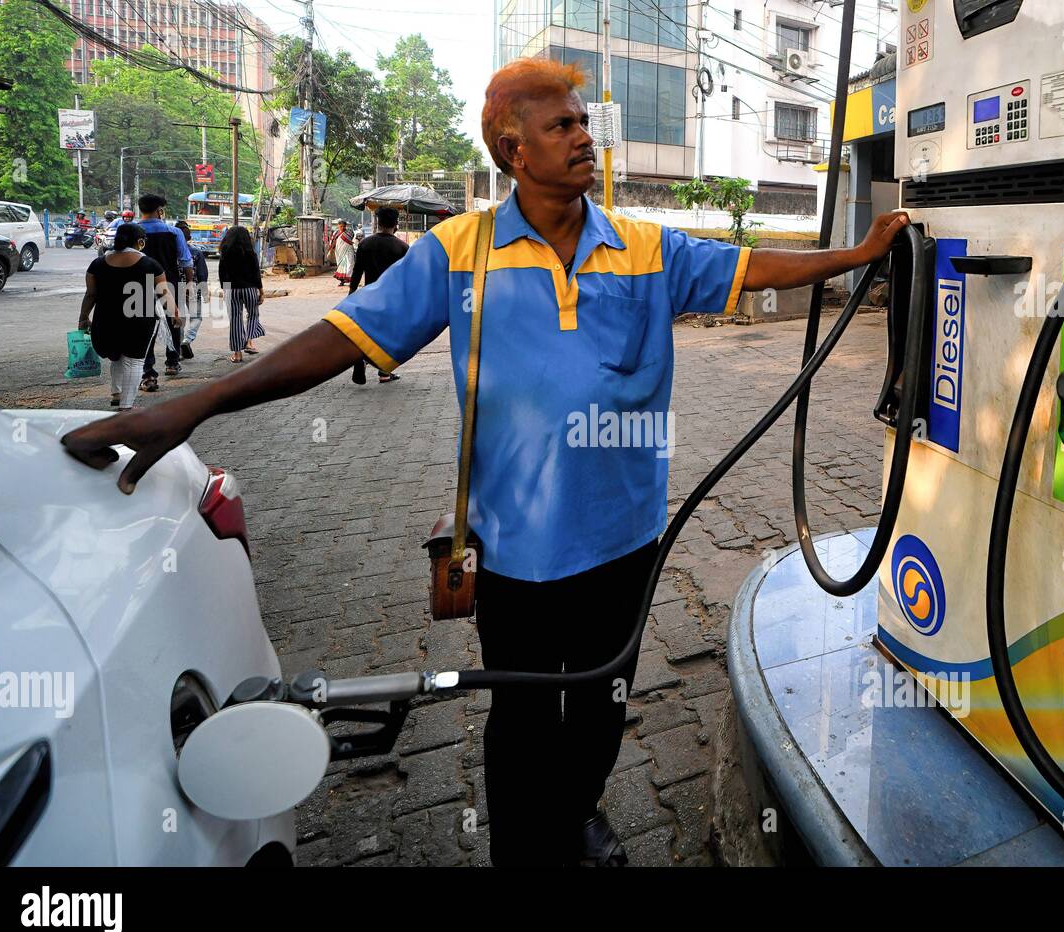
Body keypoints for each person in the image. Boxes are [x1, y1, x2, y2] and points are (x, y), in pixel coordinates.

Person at [60, 57, 909, 867]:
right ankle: (522, 848)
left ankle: (577, 811)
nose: (585, 138)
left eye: (584, 123)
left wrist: (859, 255)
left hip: (628, 540)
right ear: (513, 148)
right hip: (514, 552)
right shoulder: (458, 254)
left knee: (605, 708)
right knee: (525, 717)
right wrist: (194, 403)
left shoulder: (648, 247)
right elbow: (336, 339)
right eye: (562, 125)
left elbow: (756, 266)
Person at [77, 223, 175, 411]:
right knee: (134, 361)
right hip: (139, 320)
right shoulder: (150, 264)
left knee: (117, 357)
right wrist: (175, 313)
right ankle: (126, 405)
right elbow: (164, 293)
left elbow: (90, 294)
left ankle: (116, 394)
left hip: (105, 319)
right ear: (140, 242)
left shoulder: (97, 264)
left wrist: (83, 317)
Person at [135, 194, 195, 391]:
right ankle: (172, 362)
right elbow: (186, 261)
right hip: (170, 283)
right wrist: (189, 284)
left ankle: (148, 373)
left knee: (145, 329)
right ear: (160, 210)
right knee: (174, 322)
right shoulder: (174, 232)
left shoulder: (131, 231)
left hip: (139, 286)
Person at [347, 206, 408, 385]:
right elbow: (407, 277)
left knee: (368, 331)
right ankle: (384, 372)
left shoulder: (365, 244)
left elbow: (357, 271)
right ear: (396, 224)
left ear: (378, 223)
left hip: (369, 296)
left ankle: (362, 358)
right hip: (392, 299)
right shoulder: (402, 247)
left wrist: (352, 293)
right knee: (389, 335)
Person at [217, 225, 265, 364]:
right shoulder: (250, 252)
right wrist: (261, 291)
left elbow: (222, 273)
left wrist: (224, 289)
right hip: (249, 289)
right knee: (253, 314)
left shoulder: (225, 252)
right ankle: (249, 341)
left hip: (231, 290)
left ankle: (237, 354)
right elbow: (256, 273)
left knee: (235, 320)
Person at [175, 219, 209, 360]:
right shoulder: (196, 252)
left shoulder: (170, 253)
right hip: (193, 288)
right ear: (189, 238)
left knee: (179, 320)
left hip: (174, 289)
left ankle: (178, 351)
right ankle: (187, 341)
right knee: (196, 317)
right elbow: (202, 274)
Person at [329, 218, 355, 286]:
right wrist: (330, 251)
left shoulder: (350, 232)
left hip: (349, 250)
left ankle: (350, 280)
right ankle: (342, 281)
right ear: (338, 226)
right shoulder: (335, 233)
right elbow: (333, 242)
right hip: (339, 251)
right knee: (341, 266)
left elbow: (350, 239)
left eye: (344, 226)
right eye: (341, 226)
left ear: (346, 226)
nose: (342, 228)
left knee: (350, 264)